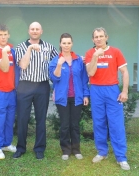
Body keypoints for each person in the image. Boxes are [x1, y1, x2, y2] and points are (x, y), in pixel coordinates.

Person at [85, 27, 130, 170]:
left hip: (112, 90)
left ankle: (121, 157)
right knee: (99, 122)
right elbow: (91, 72)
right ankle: (102, 152)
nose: (98, 39)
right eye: (96, 37)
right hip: (96, 89)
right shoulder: (90, 53)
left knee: (116, 124)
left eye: (101, 36)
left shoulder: (115, 52)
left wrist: (124, 91)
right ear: (93, 39)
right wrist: (95, 56)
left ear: (106, 37)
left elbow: (125, 72)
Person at [13, 22, 58, 160]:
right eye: (32, 29)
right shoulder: (21, 47)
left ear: (41, 31)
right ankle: (20, 147)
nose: (34, 31)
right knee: (22, 118)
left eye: (37, 29)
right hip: (25, 86)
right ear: (28, 31)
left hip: (42, 86)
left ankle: (39, 148)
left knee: (41, 118)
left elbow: (58, 60)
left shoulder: (49, 47)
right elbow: (23, 65)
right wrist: (30, 49)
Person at [49, 33, 89, 161]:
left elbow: (84, 79)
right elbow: (54, 78)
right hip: (62, 98)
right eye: (64, 43)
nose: (66, 45)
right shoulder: (55, 60)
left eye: (69, 43)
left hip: (77, 97)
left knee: (75, 125)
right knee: (65, 125)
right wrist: (60, 64)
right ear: (60, 44)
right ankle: (66, 150)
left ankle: (76, 150)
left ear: (72, 44)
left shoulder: (78, 60)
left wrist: (86, 94)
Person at [0, 24, 18, 159]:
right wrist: (5, 52)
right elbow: (5, 68)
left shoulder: (12, 50)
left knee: (9, 120)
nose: (3, 37)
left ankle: (6, 143)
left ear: (9, 35)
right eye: (0, 34)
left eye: (5, 34)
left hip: (11, 91)